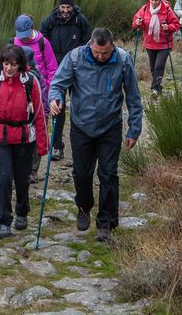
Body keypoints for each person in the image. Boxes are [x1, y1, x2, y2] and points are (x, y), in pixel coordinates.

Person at [48, 27, 143, 243]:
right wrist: (55, 99)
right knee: (81, 173)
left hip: (110, 126)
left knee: (108, 174)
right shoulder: (75, 58)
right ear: (90, 45)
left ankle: (106, 223)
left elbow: (134, 98)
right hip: (81, 125)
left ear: (112, 47)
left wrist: (134, 128)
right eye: (97, 52)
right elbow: (58, 84)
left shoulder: (123, 60)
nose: (101, 56)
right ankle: (84, 206)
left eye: (105, 53)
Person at [0, 44, 48, 238]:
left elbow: (39, 114)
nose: (9, 68)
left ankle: (22, 211)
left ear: (21, 65)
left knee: (22, 179)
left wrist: (42, 144)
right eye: (6, 63)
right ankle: (4, 220)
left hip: (25, 138)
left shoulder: (31, 83)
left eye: (13, 64)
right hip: (1, 138)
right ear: (2, 63)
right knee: (5, 178)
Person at [39, 0, 92, 160]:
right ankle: (56, 146)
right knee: (57, 107)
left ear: (72, 6)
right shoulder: (51, 19)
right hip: (57, 69)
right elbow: (43, 40)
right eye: (62, 6)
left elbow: (88, 41)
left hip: (76, 68)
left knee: (79, 105)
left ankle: (83, 145)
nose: (65, 10)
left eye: (68, 6)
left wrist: (80, 58)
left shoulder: (80, 20)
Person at [132, 0, 181, 97]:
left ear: (160, 0)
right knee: (153, 68)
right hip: (150, 44)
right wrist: (138, 23)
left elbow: (177, 25)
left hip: (164, 44)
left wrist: (168, 27)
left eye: (156, 1)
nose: (153, 3)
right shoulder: (144, 9)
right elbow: (135, 25)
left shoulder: (167, 10)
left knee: (159, 66)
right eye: (152, 0)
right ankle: (158, 87)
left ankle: (154, 89)